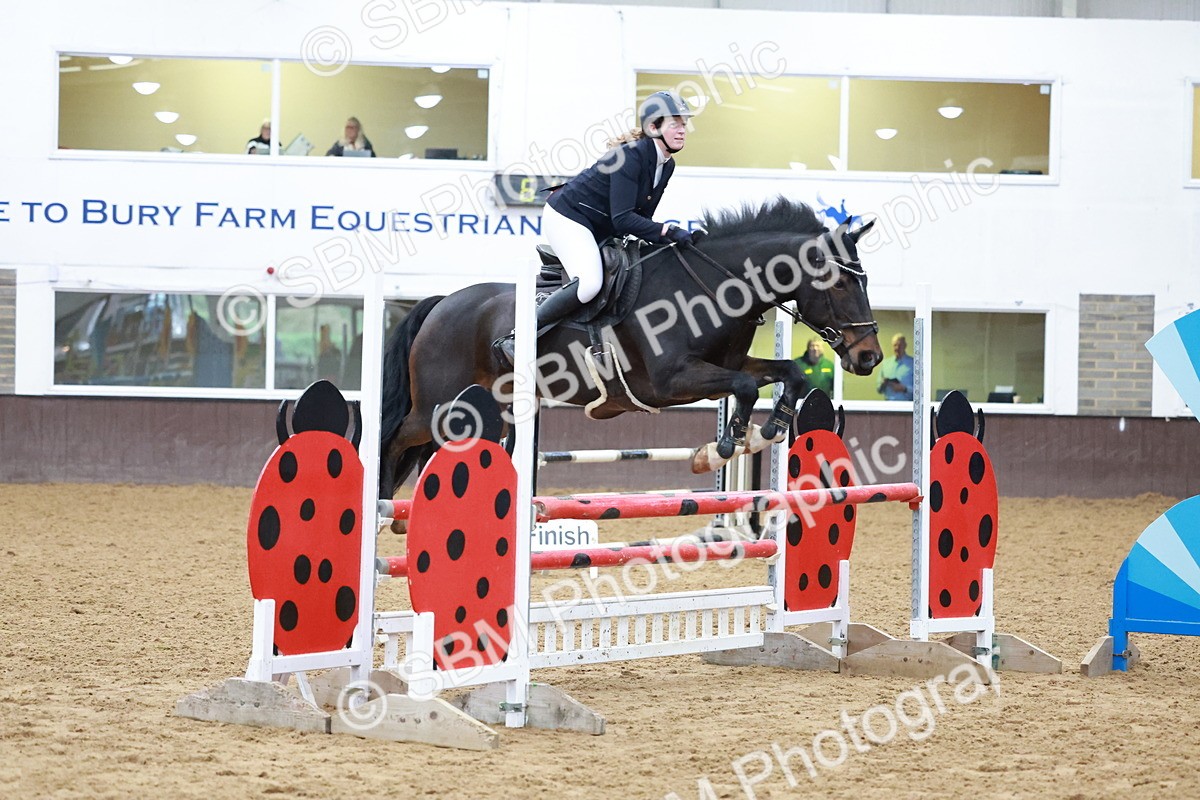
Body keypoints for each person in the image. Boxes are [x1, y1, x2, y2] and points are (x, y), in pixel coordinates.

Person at [494, 90, 696, 366]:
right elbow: (623, 219)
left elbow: (643, 217)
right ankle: (518, 336)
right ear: (653, 127)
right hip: (568, 217)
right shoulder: (632, 156)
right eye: (675, 123)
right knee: (590, 284)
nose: (683, 130)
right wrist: (667, 231)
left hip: (599, 226)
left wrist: (671, 240)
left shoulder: (666, 165)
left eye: (684, 124)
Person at [877, 333, 915, 401]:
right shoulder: (885, 364)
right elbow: (879, 390)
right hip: (888, 406)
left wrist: (904, 389)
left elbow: (921, 391)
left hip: (907, 407)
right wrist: (883, 384)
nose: (897, 348)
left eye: (900, 345)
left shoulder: (914, 364)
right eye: (895, 345)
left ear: (905, 346)